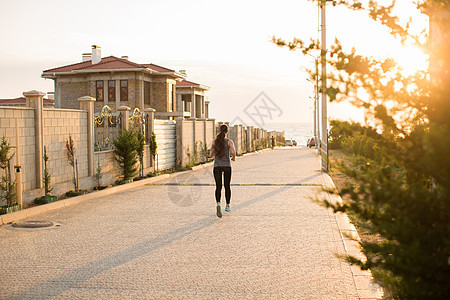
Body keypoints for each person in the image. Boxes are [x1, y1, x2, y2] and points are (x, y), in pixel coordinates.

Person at [210, 124, 236, 218]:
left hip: (217, 166)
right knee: (227, 186)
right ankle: (228, 206)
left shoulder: (215, 141)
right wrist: (233, 158)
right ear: (227, 132)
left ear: (219, 130)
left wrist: (216, 152)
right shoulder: (229, 141)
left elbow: (211, 153)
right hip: (226, 166)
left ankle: (218, 204)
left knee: (218, 186)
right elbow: (233, 152)